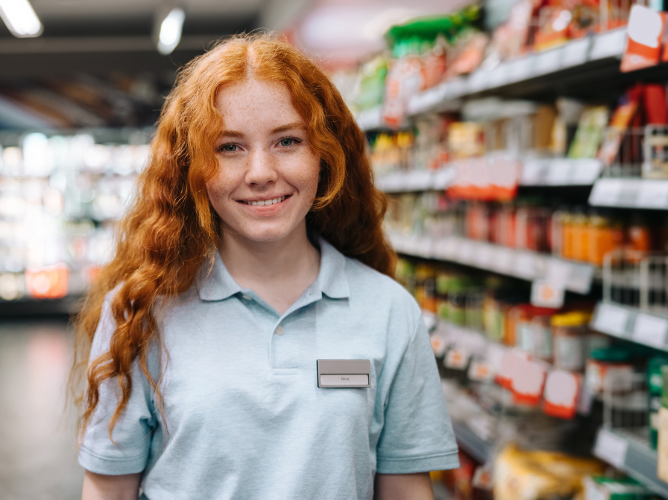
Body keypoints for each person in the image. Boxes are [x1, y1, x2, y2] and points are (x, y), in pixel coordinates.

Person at [72, 34, 458, 500]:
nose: (260, 172)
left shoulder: (388, 311)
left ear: (325, 154)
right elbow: (107, 488)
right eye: (229, 147)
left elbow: (405, 489)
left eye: (288, 141)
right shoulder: (140, 311)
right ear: (191, 167)